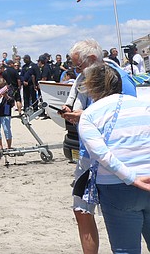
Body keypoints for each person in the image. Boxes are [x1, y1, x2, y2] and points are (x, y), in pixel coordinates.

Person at [61, 39, 138, 254]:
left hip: (110, 159)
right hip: (90, 156)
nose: (76, 71)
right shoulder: (86, 78)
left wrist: (83, 116)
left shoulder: (120, 79)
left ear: (93, 59)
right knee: (82, 212)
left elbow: (123, 114)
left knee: (126, 225)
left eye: (78, 66)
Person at [77, 63, 150, 254]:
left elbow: (101, 154)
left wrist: (131, 178)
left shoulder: (89, 115)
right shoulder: (144, 105)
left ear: (92, 87)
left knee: (126, 250)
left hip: (117, 186)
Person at [0, 78, 15, 151]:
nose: (1, 88)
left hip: (6, 111)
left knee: (7, 130)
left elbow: (12, 102)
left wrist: (6, 96)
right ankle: (0, 146)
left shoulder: (9, 90)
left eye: (2, 86)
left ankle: (9, 146)